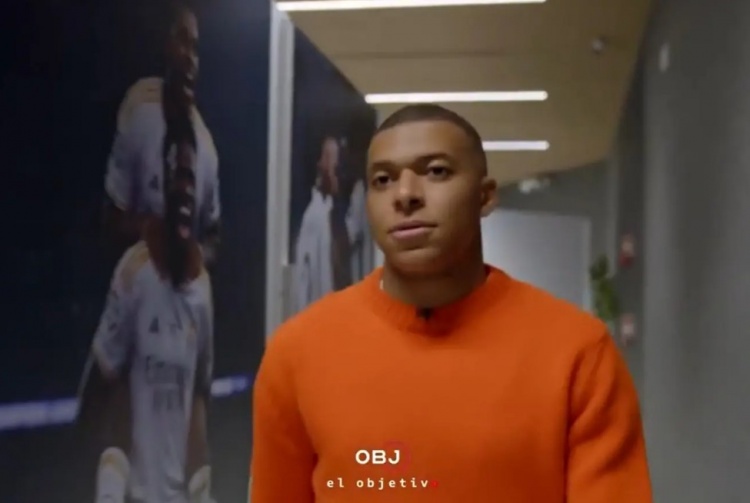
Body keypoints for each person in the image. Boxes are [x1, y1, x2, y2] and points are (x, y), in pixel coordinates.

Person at [250, 104, 652, 502]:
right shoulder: (297, 354)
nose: (405, 195)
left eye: (436, 171)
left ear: (485, 196)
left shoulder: (577, 352)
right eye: (383, 179)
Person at [77, 142, 215, 503]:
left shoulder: (202, 289)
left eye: (191, 178)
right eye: (177, 177)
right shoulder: (134, 273)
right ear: (162, 187)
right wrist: (109, 488)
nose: (185, 188)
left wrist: (201, 490)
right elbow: (107, 385)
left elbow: (197, 396)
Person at [102, 1, 220, 266]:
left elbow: (214, 236)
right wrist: (152, 232)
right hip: (137, 283)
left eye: (195, 48)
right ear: (166, 46)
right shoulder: (139, 111)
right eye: (182, 41)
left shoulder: (207, 148)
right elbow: (111, 219)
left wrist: (195, 256)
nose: (190, 57)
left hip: (180, 289)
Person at [292, 136, 341, 312]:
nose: (336, 171)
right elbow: (302, 283)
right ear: (321, 165)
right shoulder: (314, 217)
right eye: (332, 162)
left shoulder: (336, 214)